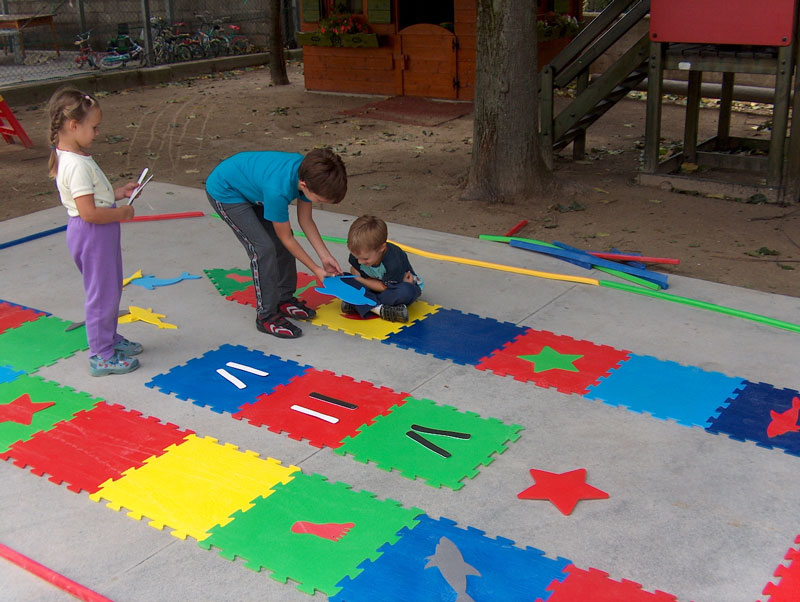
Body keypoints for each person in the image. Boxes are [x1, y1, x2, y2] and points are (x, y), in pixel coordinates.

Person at [47, 87, 142, 376]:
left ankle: (108, 339)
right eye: (94, 127)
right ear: (74, 125)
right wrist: (121, 213)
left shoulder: (75, 155)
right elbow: (88, 212)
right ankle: (101, 354)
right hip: (93, 232)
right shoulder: (75, 164)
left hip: (98, 230)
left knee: (110, 288)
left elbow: (93, 197)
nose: (98, 133)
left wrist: (118, 192)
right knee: (102, 294)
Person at [206, 149, 347, 339]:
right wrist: (315, 269)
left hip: (253, 188)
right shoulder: (278, 190)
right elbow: (287, 238)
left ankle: (283, 298)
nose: (320, 203)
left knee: (280, 242)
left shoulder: (309, 173)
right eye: (320, 200)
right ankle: (266, 316)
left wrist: (325, 257)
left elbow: (306, 221)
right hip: (227, 191)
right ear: (304, 185)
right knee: (263, 249)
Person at [342, 215, 423, 322]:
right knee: (339, 279)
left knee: (406, 291)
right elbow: (354, 271)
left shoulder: (393, 261)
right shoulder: (358, 255)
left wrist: (359, 279)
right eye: (357, 257)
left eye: (365, 259)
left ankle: (360, 304)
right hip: (372, 286)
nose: (359, 262)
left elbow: (383, 288)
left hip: (392, 288)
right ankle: (381, 309)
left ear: (382, 248)